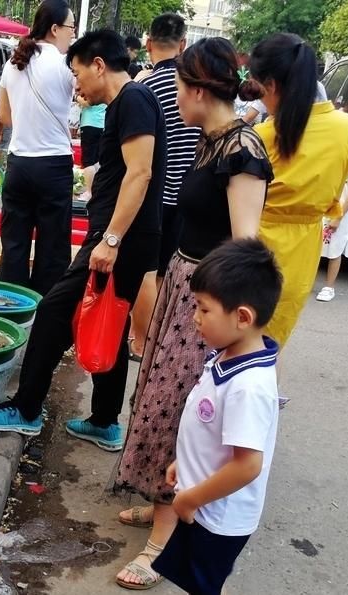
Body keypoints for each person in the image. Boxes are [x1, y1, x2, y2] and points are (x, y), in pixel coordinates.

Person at [111, 37, 272, 590]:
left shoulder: (242, 152)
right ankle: (161, 497)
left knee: (180, 409)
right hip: (185, 282)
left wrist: (214, 314)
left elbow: (245, 246)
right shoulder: (211, 141)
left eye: (178, 87)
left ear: (200, 89)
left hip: (209, 295)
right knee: (157, 398)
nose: (173, 97)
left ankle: (164, 537)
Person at [0, 29, 166, 450]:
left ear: (100, 65)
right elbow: (128, 169)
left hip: (121, 239)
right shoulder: (128, 103)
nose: (76, 85)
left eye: (79, 74)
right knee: (107, 321)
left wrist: (111, 240)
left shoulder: (132, 99)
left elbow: (141, 173)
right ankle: (103, 420)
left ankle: (25, 410)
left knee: (53, 312)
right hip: (129, 236)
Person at [150, 238, 284, 595]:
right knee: (192, 578)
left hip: (217, 515)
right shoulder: (228, 355)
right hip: (202, 501)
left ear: (242, 317)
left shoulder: (248, 387)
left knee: (203, 583)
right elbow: (210, 425)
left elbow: (247, 465)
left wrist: (190, 498)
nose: (195, 318)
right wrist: (185, 460)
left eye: (204, 309)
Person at [248, 33, 348, 346]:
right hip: (305, 248)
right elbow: (346, 168)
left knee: (241, 342)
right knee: (273, 341)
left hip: (254, 246)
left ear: (271, 86)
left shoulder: (262, 135)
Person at [125, 13, 201, 361]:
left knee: (147, 272)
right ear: (183, 44)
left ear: (149, 44)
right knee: (173, 271)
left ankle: (143, 341)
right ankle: (160, 338)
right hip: (189, 195)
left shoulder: (146, 87)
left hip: (155, 195)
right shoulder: (196, 87)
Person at [0, 0, 77, 296]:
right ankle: (44, 318)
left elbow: (4, 117)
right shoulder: (66, 65)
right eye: (71, 27)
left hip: (19, 165)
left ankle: (11, 312)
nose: (72, 34)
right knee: (52, 249)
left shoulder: (13, 63)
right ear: (55, 29)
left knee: (14, 246)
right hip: (53, 167)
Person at [317, 154, 348, 302]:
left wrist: (338, 217)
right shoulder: (333, 154)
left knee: (335, 246)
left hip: (342, 210)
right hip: (324, 205)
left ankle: (329, 286)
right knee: (315, 244)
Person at [77, 95, 105, 168]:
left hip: (89, 123)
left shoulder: (92, 88)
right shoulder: (107, 89)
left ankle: (89, 179)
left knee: (88, 160)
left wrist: (77, 97)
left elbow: (88, 103)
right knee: (98, 160)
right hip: (102, 124)